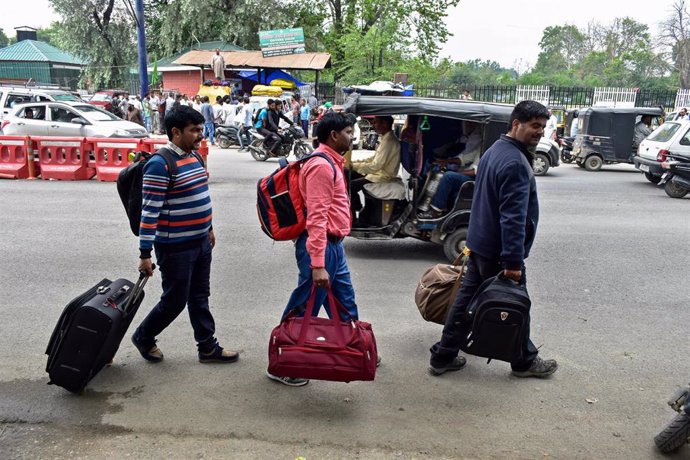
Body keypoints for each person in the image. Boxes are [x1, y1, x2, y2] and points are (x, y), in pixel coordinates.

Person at [429, 100, 558, 379]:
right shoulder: (514, 162)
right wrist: (512, 261)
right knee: (516, 301)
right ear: (516, 124)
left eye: (543, 127)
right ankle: (524, 361)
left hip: (481, 243)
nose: (539, 132)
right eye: (534, 126)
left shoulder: (495, 151)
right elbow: (512, 217)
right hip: (499, 251)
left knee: (465, 303)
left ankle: (443, 354)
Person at [131, 105, 238, 364]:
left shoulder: (194, 157)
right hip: (175, 247)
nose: (200, 135)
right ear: (176, 132)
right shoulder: (160, 164)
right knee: (175, 301)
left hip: (200, 242)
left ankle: (207, 347)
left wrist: (208, 229)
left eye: (201, 129)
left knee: (200, 297)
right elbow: (150, 213)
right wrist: (145, 254)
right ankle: (144, 336)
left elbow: (200, 196)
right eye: (194, 130)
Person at [267, 111, 358, 387]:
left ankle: (353, 345)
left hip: (333, 247)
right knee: (305, 305)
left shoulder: (331, 161)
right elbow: (316, 219)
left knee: (344, 299)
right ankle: (282, 360)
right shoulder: (321, 166)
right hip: (320, 248)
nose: (353, 137)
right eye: (349, 132)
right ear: (334, 135)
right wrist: (318, 264)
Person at [418, 121, 482, 219]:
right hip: (468, 175)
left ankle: (436, 211)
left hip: (474, 181)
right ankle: (426, 204)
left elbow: (475, 172)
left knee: (448, 176)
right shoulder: (480, 147)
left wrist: (457, 172)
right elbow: (465, 158)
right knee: (439, 170)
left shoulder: (486, 147)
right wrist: (445, 161)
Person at [346, 116, 401, 214]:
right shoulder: (385, 138)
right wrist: (354, 162)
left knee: (351, 186)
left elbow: (376, 166)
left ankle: (355, 211)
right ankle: (361, 209)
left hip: (382, 176)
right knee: (349, 174)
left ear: (384, 124)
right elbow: (373, 158)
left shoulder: (389, 141)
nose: (373, 125)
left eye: (375, 122)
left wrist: (354, 166)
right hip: (376, 174)